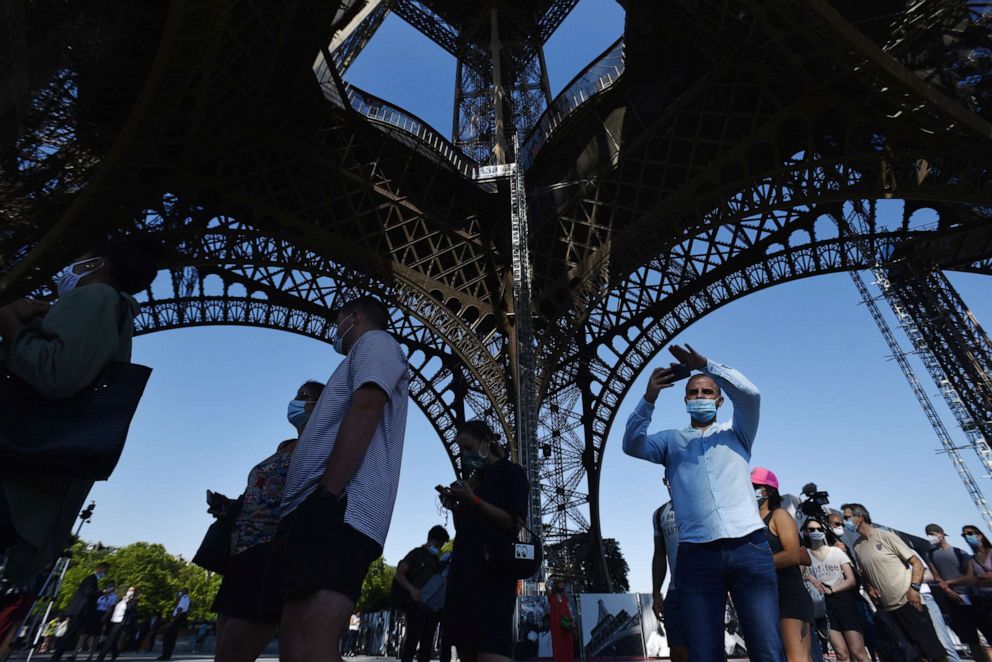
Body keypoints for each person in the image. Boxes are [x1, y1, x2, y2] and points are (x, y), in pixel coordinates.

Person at [0, 236, 163, 584]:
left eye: (81, 256)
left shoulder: (98, 297)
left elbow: (57, 374)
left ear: (96, 264)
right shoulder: (108, 306)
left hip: (16, 476)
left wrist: (10, 321)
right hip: (31, 475)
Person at [622, 344, 784, 661]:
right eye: (693, 393)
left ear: (720, 400)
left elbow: (750, 395)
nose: (700, 396)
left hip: (748, 546)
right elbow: (632, 444)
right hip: (696, 554)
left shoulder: (737, 432)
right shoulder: (670, 441)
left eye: (707, 392)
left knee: (767, 648)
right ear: (685, 402)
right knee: (704, 653)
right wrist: (649, 398)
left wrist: (706, 365)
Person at [277, 296, 410, 662]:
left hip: (339, 508)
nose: (335, 331)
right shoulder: (359, 356)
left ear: (353, 317)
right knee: (296, 644)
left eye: (338, 322)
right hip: (323, 508)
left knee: (310, 644)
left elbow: (368, 406)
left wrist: (328, 493)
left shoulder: (376, 342)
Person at [212, 379, 325, 662]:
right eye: (297, 394)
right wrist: (229, 507)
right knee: (222, 652)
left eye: (305, 396)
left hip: (268, 553)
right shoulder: (285, 445)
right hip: (240, 551)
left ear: (322, 406)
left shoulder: (323, 446)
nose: (297, 400)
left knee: (232, 654)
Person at [441, 420, 529, 662]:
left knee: (491, 651)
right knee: (466, 650)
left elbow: (514, 523)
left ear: (487, 442)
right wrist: (456, 507)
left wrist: (474, 500)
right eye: (462, 450)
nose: (465, 455)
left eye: (469, 448)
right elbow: (469, 529)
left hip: (493, 576)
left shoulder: (513, 474)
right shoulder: (476, 480)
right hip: (464, 574)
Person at [842, 503, 946, 661]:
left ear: (860, 518)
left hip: (909, 602)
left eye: (847, 517)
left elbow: (916, 563)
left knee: (932, 650)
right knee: (910, 655)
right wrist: (870, 587)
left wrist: (914, 589)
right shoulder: (857, 547)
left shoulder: (885, 536)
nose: (845, 521)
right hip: (888, 610)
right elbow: (864, 575)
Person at [753, 468, 814, 662]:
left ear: (768, 491)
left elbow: (794, 555)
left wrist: (755, 564)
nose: (750, 490)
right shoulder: (750, 522)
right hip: (762, 596)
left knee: (797, 658)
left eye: (756, 487)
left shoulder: (779, 515)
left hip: (788, 593)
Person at [801, 519, 869, 662]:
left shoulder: (836, 552)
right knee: (841, 654)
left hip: (844, 601)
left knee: (858, 652)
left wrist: (832, 589)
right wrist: (810, 578)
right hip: (822, 606)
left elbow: (851, 580)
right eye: (811, 529)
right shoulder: (805, 554)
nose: (816, 532)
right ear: (806, 532)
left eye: (819, 529)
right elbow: (801, 577)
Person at [925, 523, 991, 660]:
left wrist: (949, 583)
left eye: (932, 533)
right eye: (928, 534)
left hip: (972, 598)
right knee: (971, 640)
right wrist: (948, 591)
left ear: (941, 534)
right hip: (953, 601)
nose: (930, 537)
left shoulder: (959, 552)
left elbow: (968, 576)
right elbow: (937, 576)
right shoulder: (930, 555)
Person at [394, 525, 450, 662]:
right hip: (415, 605)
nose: (438, 548)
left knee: (426, 647)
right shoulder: (416, 554)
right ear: (430, 540)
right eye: (437, 544)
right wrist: (412, 590)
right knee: (411, 644)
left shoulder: (437, 560)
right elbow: (399, 574)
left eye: (441, 545)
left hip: (431, 610)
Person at [651, 478, 687, 662]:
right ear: (665, 481)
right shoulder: (659, 514)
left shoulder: (702, 505)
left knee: (709, 647)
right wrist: (656, 592)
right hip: (675, 590)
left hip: (705, 588)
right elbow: (659, 554)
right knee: (678, 650)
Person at [51, 562, 109, 661]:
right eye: (105, 570)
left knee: (71, 633)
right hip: (81, 611)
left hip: (79, 610)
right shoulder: (92, 579)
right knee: (70, 633)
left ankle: (57, 655)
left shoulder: (90, 579)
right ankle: (56, 656)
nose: (105, 573)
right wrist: (102, 592)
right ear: (100, 568)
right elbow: (89, 593)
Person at [96, 586, 138, 662]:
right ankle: (115, 653)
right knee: (113, 639)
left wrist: (127, 601)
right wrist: (106, 616)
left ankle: (100, 657)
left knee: (110, 639)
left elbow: (129, 609)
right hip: (113, 620)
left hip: (121, 622)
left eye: (132, 590)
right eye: (129, 590)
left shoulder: (134, 600)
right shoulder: (121, 598)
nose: (130, 591)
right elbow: (113, 607)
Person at [962, 524, 992, 611]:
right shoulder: (972, 560)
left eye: (970, 534)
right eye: (964, 535)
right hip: (986, 600)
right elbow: (969, 581)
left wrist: (978, 579)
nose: (967, 537)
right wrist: (980, 577)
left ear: (980, 536)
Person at [157, 588, 190, 661]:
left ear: (185, 592)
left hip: (177, 620)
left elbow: (179, 610)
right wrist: (177, 600)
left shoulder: (184, 599)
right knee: (169, 638)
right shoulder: (182, 599)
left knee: (169, 638)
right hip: (177, 619)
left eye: (182, 591)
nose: (180, 593)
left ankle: (166, 655)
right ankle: (165, 654)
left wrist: (172, 621)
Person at [548, 578, 575, 662]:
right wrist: (549, 581)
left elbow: (569, 609)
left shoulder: (565, 597)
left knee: (568, 641)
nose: (562, 585)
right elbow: (547, 586)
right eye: (560, 583)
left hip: (566, 621)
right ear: (556, 585)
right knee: (558, 643)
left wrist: (572, 620)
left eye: (563, 583)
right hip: (556, 623)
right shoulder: (551, 596)